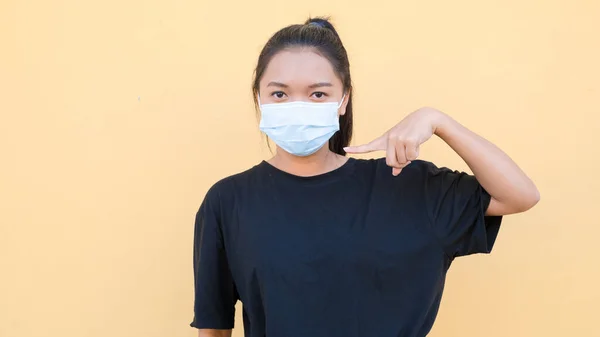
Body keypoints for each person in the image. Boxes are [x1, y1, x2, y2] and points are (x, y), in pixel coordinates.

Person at [190, 17, 540, 337]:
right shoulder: (228, 202)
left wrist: (437, 120)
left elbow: (520, 195)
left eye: (318, 94)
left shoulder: (407, 185)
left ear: (343, 100)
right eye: (279, 93)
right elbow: (214, 328)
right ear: (259, 98)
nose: (298, 106)